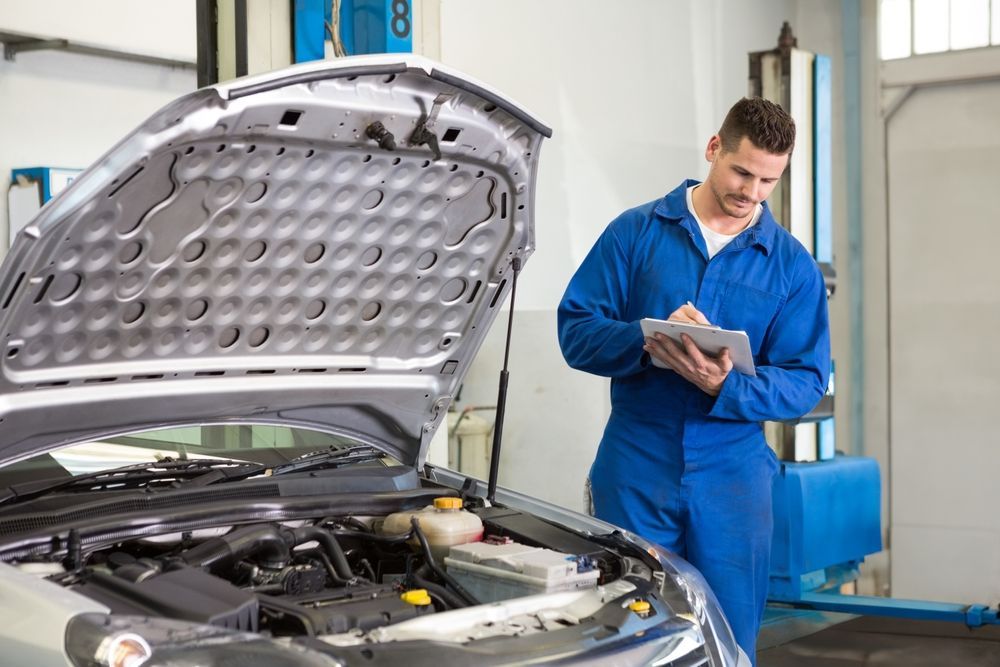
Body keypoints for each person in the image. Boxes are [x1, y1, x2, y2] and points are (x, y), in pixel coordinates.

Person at [557, 97, 830, 661]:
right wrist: (645, 339)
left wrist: (723, 386)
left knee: (726, 640)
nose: (752, 192)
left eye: (768, 181)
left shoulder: (791, 266)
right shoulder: (635, 234)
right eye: (741, 172)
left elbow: (806, 381)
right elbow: (575, 331)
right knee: (625, 629)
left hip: (733, 476)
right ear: (713, 149)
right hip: (637, 460)